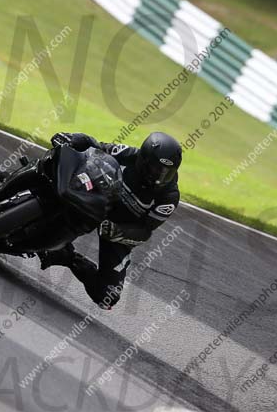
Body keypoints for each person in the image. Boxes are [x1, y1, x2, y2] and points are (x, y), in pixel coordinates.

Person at [38, 131, 182, 309]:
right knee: (64, 181)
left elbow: (145, 231)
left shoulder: (169, 197)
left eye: (166, 173)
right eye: (155, 169)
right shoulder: (130, 155)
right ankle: (29, 189)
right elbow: (97, 147)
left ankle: (66, 256)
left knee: (107, 296)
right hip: (98, 201)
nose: (159, 177)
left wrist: (117, 231)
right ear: (143, 159)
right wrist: (75, 138)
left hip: (119, 228)